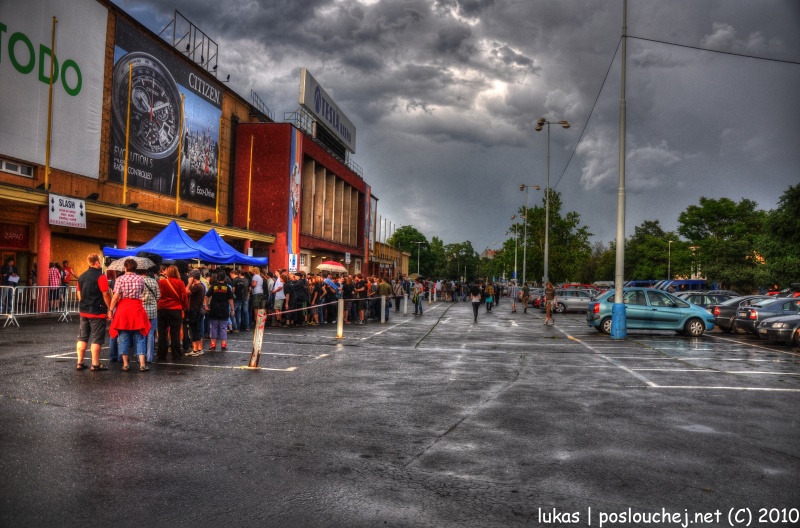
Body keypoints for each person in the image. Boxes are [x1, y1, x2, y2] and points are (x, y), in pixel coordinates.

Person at [107, 259, 151, 372]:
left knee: (123, 337)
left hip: (124, 309)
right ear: (136, 268)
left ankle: (125, 364)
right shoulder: (140, 278)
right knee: (140, 336)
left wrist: (110, 310)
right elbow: (141, 291)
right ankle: (142, 364)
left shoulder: (120, 279)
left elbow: (116, 296)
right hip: (137, 308)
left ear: (125, 268)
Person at [75, 253, 112, 371]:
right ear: (97, 262)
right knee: (96, 338)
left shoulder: (81, 276)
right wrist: (110, 308)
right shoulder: (101, 277)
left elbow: (79, 293)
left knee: (82, 336)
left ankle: (80, 362)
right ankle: (95, 364)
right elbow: (105, 294)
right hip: (97, 311)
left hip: (84, 310)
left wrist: (83, 302)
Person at [157, 265, 187, 362]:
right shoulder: (180, 283)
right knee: (175, 333)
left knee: (162, 333)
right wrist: (183, 307)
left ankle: (161, 355)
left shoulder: (161, 282)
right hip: (175, 309)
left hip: (162, 309)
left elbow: (159, 295)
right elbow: (184, 297)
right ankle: (176, 355)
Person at [205, 271, 234, 350]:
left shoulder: (213, 286)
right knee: (223, 327)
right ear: (224, 278)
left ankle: (213, 344)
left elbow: (206, 296)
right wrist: (233, 309)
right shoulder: (227, 287)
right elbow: (231, 300)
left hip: (214, 307)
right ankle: (223, 344)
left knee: (213, 326)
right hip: (224, 308)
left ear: (217, 278)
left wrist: (206, 305)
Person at [139, 264, 160, 364]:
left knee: (142, 333)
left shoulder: (138, 281)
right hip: (152, 310)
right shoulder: (153, 281)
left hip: (141, 310)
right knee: (151, 333)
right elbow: (158, 296)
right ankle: (149, 357)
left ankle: (140, 357)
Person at [185, 269, 206, 356]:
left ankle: (195, 350)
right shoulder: (202, 285)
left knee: (194, 329)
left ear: (193, 277)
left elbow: (185, 292)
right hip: (199, 309)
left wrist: (189, 283)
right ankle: (199, 348)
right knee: (197, 329)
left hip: (194, 310)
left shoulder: (197, 286)